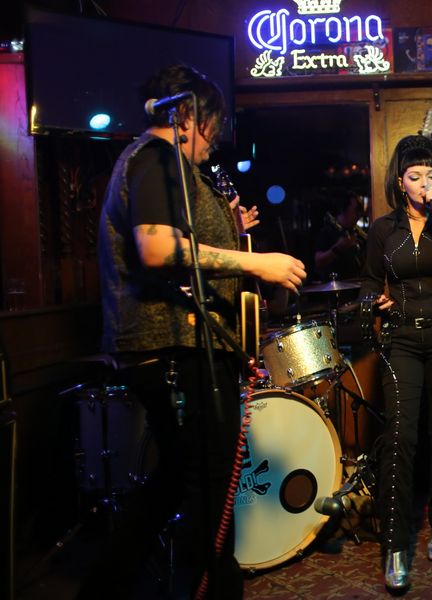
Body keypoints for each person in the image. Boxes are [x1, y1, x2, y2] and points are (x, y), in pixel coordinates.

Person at [82, 64, 306, 599]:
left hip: (181, 345)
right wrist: (257, 263)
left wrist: (229, 228)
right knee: (209, 486)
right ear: (186, 116)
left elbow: (182, 242)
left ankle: (103, 589)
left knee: (177, 482)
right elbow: (158, 249)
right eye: (213, 125)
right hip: (172, 347)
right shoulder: (157, 158)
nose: (215, 140)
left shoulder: (169, 168)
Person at [359, 134, 432, 591]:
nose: (424, 183)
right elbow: (369, 281)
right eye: (415, 176)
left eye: (431, 175)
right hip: (401, 337)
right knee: (400, 435)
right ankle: (395, 544)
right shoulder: (382, 229)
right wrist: (374, 300)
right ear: (400, 182)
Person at [313, 189, 366, 281]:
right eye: (356, 210)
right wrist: (338, 247)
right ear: (343, 209)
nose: (359, 215)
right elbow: (318, 261)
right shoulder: (327, 231)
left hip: (356, 285)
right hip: (336, 286)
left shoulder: (356, 232)